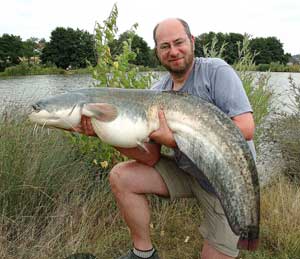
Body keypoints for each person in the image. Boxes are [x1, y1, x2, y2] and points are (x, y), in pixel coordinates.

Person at [77, 18, 255, 259]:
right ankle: (143, 254)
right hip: (188, 172)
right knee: (122, 176)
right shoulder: (156, 92)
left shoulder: (216, 72)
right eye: (165, 46)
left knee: (236, 239)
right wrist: (103, 132)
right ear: (157, 52)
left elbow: (245, 128)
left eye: (179, 42)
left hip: (224, 184)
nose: (173, 51)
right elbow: (150, 157)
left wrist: (173, 140)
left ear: (192, 42)